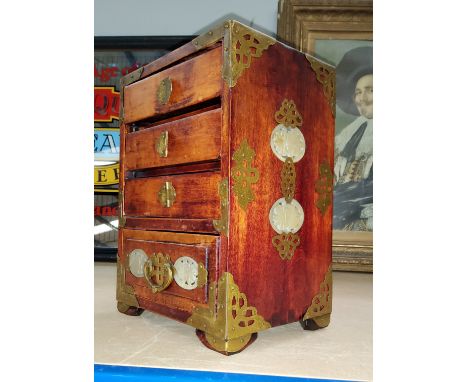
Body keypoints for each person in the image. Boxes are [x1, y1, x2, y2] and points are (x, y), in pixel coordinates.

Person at [333, 46, 373, 231]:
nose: (361, 98)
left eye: (370, 90)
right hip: (343, 211)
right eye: (357, 92)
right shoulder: (351, 133)